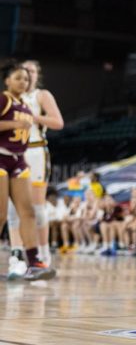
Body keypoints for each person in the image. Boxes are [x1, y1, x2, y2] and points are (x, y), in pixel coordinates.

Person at [5, 59, 64, 276]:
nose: (27, 76)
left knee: (36, 208)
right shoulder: (9, 98)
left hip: (36, 151)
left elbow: (58, 122)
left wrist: (32, 116)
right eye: (23, 72)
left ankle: (42, 255)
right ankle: (17, 257)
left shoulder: (41, 96)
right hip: (12, 152)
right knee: (13, 209)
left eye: (31, 72)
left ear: (37, 75)